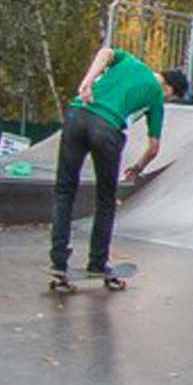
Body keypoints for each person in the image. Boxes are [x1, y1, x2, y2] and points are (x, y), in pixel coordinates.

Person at [48, 46, 168, 284]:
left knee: (64, 191)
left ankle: (59, 262)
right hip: (106, 130)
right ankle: (97, 262)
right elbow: (154, 147)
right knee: (105, 199)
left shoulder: (130, 61)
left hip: (76, 115)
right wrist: (138, 167)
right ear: (169, 89)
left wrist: (87, 82)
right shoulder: (156, 94)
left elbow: (105, 52)